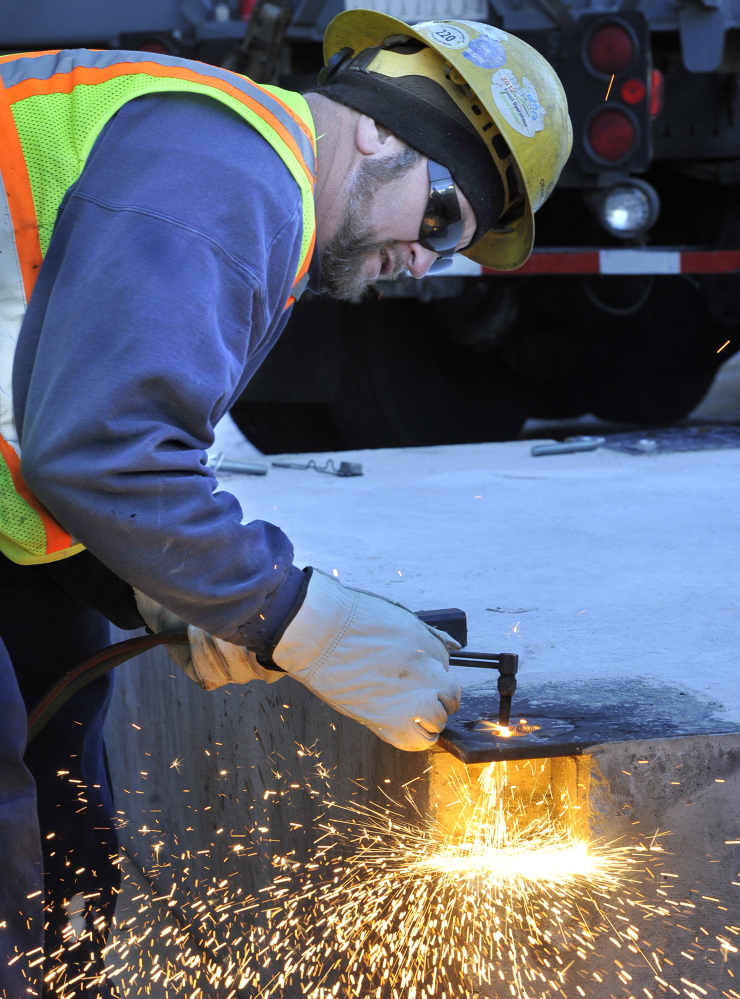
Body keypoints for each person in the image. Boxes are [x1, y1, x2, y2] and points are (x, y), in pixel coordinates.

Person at [0, 10, 571, 995]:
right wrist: (293, 615)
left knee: (65, 829)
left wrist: (162, 591)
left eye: (453, 250)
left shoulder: (234, 178)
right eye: (437, 219)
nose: (425, 262)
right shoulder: (232, 173)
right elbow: (99, 448)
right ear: (380, 131)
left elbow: (57, 417)